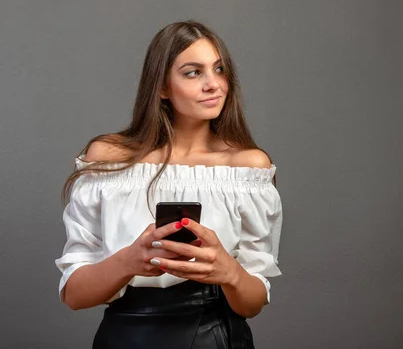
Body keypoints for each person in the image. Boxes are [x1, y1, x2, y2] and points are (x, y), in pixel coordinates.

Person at [55, 20, 283, 349]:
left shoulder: (247, 167)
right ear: (161, 87)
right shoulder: (108, 160)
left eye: (219, 70)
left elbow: (252, 304)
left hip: (216, 336)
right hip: (126, 337)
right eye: (193, 72)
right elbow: (74, 296)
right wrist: (129, 261)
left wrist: (229, 271)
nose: (213, 85)